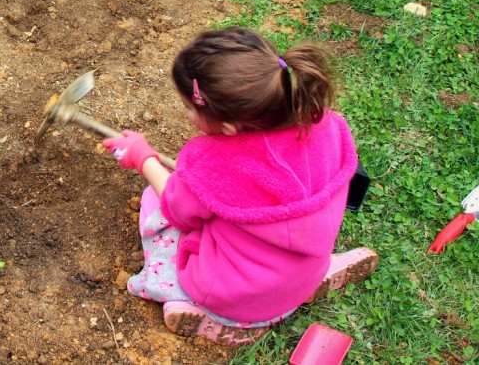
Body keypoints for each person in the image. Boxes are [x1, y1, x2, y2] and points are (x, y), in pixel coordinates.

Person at [102, 27, 378, 345]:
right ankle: (315, 279)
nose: (188, 115)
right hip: (303, 273)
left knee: (154, 201)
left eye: (190, 109)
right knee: (277, 252)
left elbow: (179, 212)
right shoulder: (325, 126)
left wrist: (143, 158)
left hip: (236, 294)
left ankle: (192, 304)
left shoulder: (212, 163)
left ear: (231, 127)